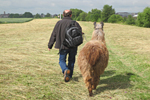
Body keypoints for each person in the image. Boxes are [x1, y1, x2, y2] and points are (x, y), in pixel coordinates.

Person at [48, 10, 83, 82]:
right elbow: (79, 34)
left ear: (63, 15)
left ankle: (65, 70)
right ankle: (69, 76)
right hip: (73, 46)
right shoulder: (75, 23)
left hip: (63, 46)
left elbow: (53, 34)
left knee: (61, 60)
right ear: (71, 15)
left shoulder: (59, 23)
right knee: (71, 61)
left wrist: (50, 45)